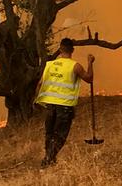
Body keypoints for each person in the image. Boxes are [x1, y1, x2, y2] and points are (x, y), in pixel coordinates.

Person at [35, 38, 94, 168]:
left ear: (60, 49)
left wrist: (37, 102)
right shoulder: (75, 66)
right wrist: (90, 62)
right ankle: (49, 159)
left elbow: (40, 84)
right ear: (72, 50)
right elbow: (89, 79)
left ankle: (49, 157)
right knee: (60, 134)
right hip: (65, 106)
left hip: (50, 105)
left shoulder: (49, 65)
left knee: (49, 133)